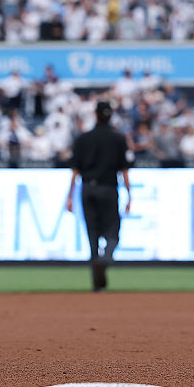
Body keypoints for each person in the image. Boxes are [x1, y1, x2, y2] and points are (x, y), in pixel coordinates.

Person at [65, 101, 131, 292]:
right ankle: (106, 258)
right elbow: (124, 171)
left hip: (87, 188)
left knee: (92, 233)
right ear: (110, 116)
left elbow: (75, 172)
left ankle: (97, 284)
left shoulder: (83, 138)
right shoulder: (118, 138)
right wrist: (129, 195)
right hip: (109, 188)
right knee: (112, 231)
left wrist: (69, 196)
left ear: (95, 114)